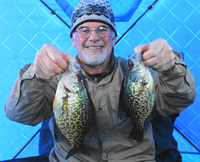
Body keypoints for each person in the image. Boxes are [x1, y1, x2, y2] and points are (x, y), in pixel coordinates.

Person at [4, 0, 196, 161]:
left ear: (113, 38)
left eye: (103, 29)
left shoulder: (140, 72)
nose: (94, 37)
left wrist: (170, 67)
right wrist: (36, 76)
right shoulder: (54, 76)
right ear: (73, 39)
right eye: (84, 30)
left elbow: (179, 100)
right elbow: (20, 115)